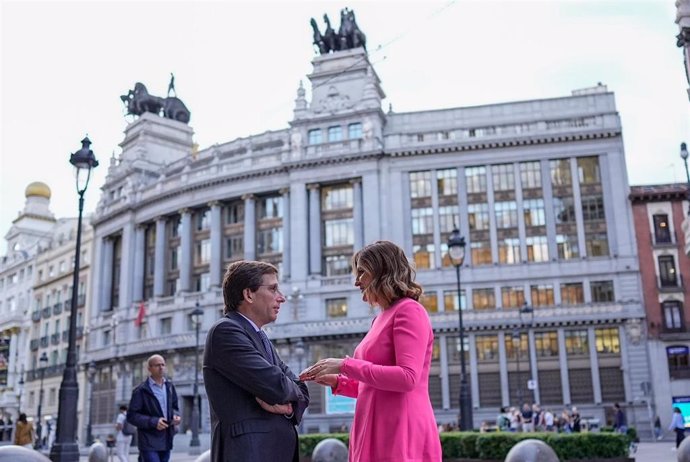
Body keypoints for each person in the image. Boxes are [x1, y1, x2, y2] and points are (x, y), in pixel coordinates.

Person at [300, 241, 442, 462]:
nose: (357, 281)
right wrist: (338, 382)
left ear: (382, 271)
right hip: (376, 424)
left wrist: (345, 365)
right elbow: (375, 386)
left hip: (399, 427)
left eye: (362, 273)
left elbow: (407, 378)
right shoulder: (381, 318)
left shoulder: (409, 311)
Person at [203, 260, 310, 462]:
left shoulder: (260, 337)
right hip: (250, 453)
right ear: (248, 294)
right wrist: (283, 394)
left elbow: (302, 390)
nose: (282, 298)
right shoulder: (226, 331)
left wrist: (287, 406)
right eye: (272, 289)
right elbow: (277, 386)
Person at [127, 354, 181, 462]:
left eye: (163, 365)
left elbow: (175, 407)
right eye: (157, 365)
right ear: (149, 369)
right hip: (148, 440)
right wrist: (154, 421)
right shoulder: (140, 390)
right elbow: (131, 416)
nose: (161, 368)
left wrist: (175, 416)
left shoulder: (169, 387)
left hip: (166, 438)